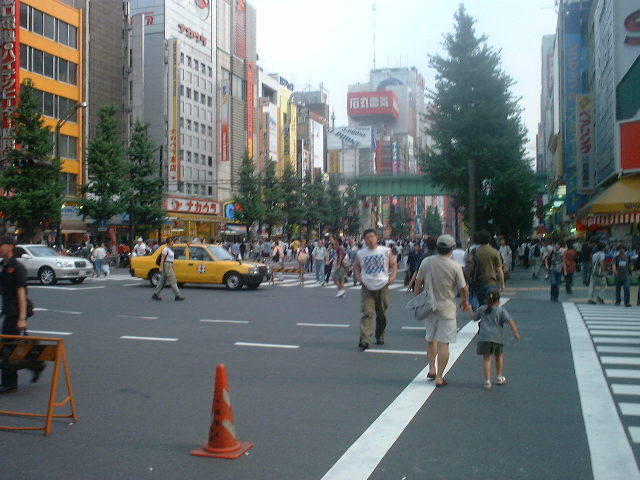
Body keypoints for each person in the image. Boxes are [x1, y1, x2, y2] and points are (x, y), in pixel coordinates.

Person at [413, 234, 473, 387]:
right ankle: (439, 376)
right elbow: (463, 288)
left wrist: (418, 298)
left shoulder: (426, 262)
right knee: (444, 343)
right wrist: (465, 302)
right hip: (447, 309)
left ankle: (431, 368)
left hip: (429, 307)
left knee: (430, 339)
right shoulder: (454, 266)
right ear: (452, 249)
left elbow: (418, 283)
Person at [0, 235, 45, 394]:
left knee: (7, 347)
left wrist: (22, 318)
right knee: (12, 345)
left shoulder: (17, 267)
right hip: (8, 309)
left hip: (15, 312)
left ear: (10, 246)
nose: (0, 248)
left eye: (2, 244)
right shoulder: (3, 265)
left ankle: (9, 383)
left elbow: (21, 293)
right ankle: (36, 364)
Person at [354, 229, 398, 350]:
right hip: (367, 286)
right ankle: (365, 339)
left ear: (376, 238)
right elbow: (356, 266)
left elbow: (394, 264)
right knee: (367, 313)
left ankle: (380, 335)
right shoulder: (361, 253)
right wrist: (358, 277)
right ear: (364, 240)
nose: (370, 239)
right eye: (367, 237)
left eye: (372, 236)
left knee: (381, 313)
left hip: (382, 285)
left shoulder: (385, 251)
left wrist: (393, 276)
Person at [473, 290, 520, 389]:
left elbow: (474, 318)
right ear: (498, 301)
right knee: (499, 356)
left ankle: (487, 381)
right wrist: (515, 332)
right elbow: (510, 321)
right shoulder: (501, 310)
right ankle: (499, 376)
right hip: (496, 337)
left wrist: (469, 309)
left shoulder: (482, 309)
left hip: (484, 337)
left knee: (487, 359)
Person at [473, 230, 505, 306]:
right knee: (492, 306)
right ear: (489, 239)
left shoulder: (474, 252)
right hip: (491, 282)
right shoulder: (494, 252)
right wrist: (502, 284)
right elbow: (499, 270)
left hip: (478, 283)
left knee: (481, 306)